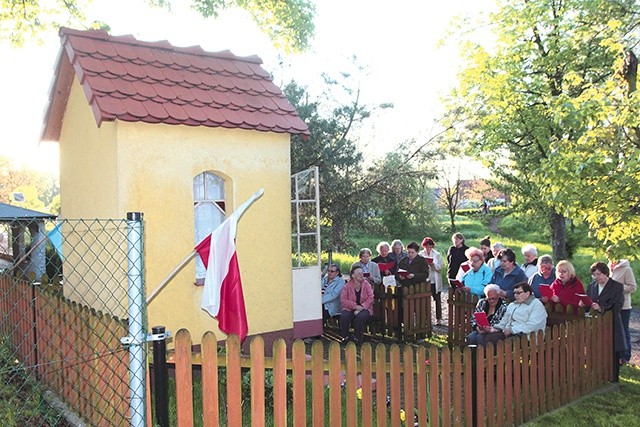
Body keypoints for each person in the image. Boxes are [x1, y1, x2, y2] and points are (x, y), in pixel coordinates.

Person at [583, 262, 627, 381]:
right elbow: (589, 302)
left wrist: (601, 308)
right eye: (595, 275)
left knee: (612, 350)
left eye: (600, 274)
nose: (598, 277)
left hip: (612, 323)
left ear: (606, 273)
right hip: (596, 324)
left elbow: (618, 305)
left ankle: (613, 378)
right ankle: (598, 376)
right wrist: (583, 304)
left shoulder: (616, 286)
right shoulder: (592, 286)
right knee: (598, 350)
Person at [477, 282, 548, 346]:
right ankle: (489, 359)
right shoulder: (513, 305)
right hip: (510, 333)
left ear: (527, 293)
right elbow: (504, 321)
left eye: (518, 293)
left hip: (527, 336)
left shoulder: (536, 305)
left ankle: (500, 360)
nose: (515, 295)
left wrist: (512, 330)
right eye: (514, 293)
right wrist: (496, 328)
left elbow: (533, 325)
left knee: (506, 343)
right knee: (490, 338)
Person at [607, 247, 637, 364]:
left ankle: (625, 355)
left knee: (623, 330)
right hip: (610, 304)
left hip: (623, 305)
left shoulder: (626, 269)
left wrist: (618, 288)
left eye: (612, 255)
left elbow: (633, 287)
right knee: (612, 330)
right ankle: (615, 354)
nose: (610, 258)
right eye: (608, 255)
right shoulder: (608, 267)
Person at [340, 265, 374, 345]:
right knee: (344, 316)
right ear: (353, 275)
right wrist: (355, 306)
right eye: (359, 273)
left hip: (365, 308)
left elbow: (371, 297)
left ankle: (357, 338)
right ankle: (345, 337)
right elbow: (343, 300)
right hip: (350, 308)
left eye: (362, 273)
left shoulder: (366, 285)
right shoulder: (347, 286)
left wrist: (362, 307)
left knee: (360, 317)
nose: (361, 275)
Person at [419, 237, 445, 325]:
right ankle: (426, 318)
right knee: (425, 300)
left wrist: (433, 265)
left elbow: (441, 266)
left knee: (437, 299)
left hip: (435, 279)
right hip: (426, 280)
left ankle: (439, 319)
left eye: (430, 246)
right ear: (424, 246)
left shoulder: (437, 254)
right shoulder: (420, 254)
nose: (428, 248)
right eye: (427, 246)